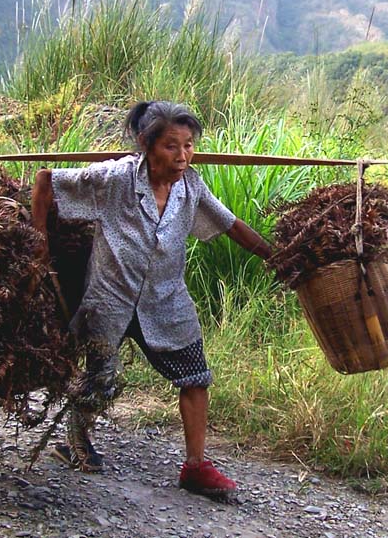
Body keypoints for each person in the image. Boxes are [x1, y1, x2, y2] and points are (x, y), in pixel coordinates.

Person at [31, 100, 272, 498]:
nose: (182, 157)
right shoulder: (115, 179)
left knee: (196, 378)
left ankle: (195, 467)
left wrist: (275, 257)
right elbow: (45, 182)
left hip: (166, 301)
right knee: (101, 383)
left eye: (189, 146)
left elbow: (230, 224)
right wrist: (39, 246)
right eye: (171, 147)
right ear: (146, 143)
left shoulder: (191, 187)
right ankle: (75, 441)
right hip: (111, 300)